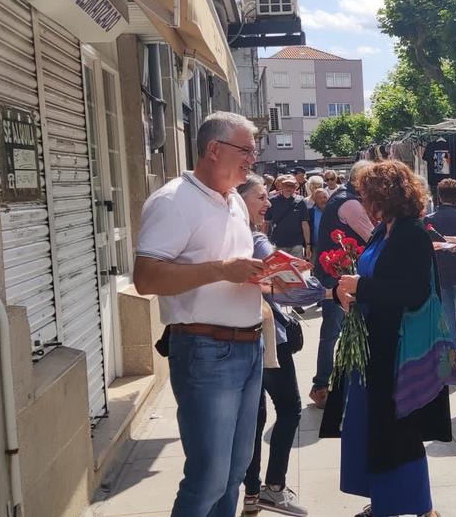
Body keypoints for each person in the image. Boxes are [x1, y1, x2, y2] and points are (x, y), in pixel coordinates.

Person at [133, 112, 267, 517]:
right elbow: (146, 277)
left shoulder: (233, 203)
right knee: (208, 475)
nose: (252, 160)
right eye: (245, 150)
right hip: (207, 350)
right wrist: (220, 270)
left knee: (234, 471)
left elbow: (232, 269)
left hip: (248, 347)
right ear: (214, 149)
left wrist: (267, 276)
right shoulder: (173, 201)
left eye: (253, 152)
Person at [320, 160, 451, 517]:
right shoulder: (385, 230)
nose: (361, 201)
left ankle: (416, 506)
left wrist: (361, 287)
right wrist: (350, 293)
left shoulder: (411, 233)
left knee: (398, 428)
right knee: (377, 427)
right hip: (375, 344)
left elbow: (411, 292)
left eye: (365, 194)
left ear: (383, 195)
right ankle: (385, 501)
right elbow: (378, 279)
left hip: (397, 349)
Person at [237, 176, 323, 517]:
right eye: (261, 196)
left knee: (254, 418)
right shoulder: (256, 242)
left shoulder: (222, 240)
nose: (269, 202)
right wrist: (308, 284)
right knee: (288, 408)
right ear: (239, 200)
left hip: (239, 339)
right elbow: (304, 290)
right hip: (268, 339)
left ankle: (251, 493)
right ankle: (273, 487)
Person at [310, 160, 376, 409]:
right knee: (334, 331)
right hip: (337, 274)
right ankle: (321, 385)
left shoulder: (342, 196)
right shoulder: (349, 202)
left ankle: (329, 384)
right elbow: (370, 235)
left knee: (335, 331)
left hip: (337, 272)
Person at [425, 179, 456, 367]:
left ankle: (452, 353)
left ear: (439, 195)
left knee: (446, 315)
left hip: (441, 273)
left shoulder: (429, 220)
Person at [266, 175, 311, 259]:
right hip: (278, 243)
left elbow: (305, 224)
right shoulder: (272, 201)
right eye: (286, 185)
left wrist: (308, 245)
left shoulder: (300, 201)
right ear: (281, 186)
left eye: (292, 186)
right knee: (280, 271)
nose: (289, 188)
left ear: (295, 187)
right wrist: (263, 241)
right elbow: (266, 223)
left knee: (296, 270)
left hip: (296, 243)